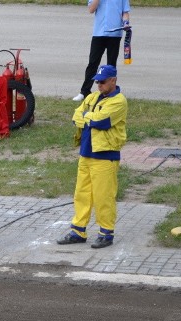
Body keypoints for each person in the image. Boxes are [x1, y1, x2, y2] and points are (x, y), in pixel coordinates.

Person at [58, 64, 127, 249]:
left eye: (103, 82)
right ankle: (78, 231)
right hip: (86, 153)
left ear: (113, 80)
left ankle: (106, 233)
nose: (99, 85)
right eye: (97, 81)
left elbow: (102, 122)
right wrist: (90, 117)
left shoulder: (119, 101)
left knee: (104, 196)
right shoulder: (92, 97)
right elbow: (76, 116)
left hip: (105, 156)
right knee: (81, 194)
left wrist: (88, 116)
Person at [72, 0, 131, 102]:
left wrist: (126, 22)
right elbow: (91, 9)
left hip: (115, 33)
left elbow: (125, 12)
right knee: (93, 62)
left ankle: (111, 91)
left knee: (111, 64)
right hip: (99, 32)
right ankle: (84, 91)